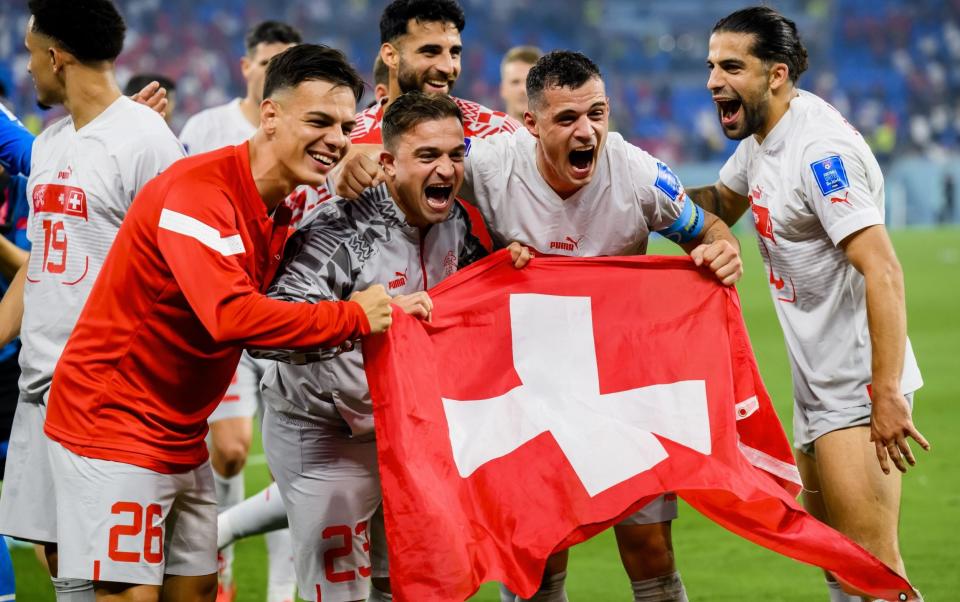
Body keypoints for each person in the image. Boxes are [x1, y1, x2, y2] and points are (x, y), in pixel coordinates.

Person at [339, 50, 742, 602]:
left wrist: (723, 250)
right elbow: (419, 180)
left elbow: (708, 229)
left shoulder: (638, 173)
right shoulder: (490, 165)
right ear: (531, 125)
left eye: (597, 114)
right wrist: (350, 164)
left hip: (618, 379)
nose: (587, 131)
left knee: (649, 548)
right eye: (568, 119)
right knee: (537, 551)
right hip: (528, 382)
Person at [41, 44, 393, 602]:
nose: (336, 138)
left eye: (345, 126)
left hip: (181, 432)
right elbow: (231, 317)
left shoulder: (286, 201)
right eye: (319, 121)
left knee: (198, 590)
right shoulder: (197, 193)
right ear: (270, 115)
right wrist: (353, 316)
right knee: (129, 595)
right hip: (112, 422)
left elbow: (399, 149)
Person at [686, 7, 927, 601]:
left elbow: (885, 271)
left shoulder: (822, 156)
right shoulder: (767, 134)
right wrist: (640, 192)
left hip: (857, 387)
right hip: (816, 384)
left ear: (776, 74)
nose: (714, 79)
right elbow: (720, 203)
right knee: (838, 566)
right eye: (712, 65)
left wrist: (887, 393)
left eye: (731, 66)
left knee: (874, 572)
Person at [255, 90, 529, 602]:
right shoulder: (341, 231)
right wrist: (361, 319)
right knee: (342, 593)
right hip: (320, 430)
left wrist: (502, 269)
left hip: (401, 432)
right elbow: (270, 332)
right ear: (388, 162)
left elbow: (471, 305)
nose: (446, 168)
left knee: (406, 583)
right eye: (427, 156)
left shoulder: (457, 225)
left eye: (454, 154)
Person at [0, 1, 186, 600]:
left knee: (117, 577)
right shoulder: (52, 145)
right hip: (41, 386)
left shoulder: (148, 144)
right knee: (61, 555)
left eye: (32, 55)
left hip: (107, 394)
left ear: (57, 57)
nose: (27, 69)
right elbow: (43, 272)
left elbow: (177, 277)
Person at [177, 18, 302, 602]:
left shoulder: (311, 137)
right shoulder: (207, 128)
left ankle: (280, 594)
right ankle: (219, 561)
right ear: (247, 67)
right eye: (268, 62)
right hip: (222, 316)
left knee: (289, 472)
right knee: (227, 451)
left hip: (287, 320)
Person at [339, 0, 521, 249]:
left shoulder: (499, 132)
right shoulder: (345, 140)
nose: (448, 67)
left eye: (454, 53)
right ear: (390, 56)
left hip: (477, 284)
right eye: (430, 51)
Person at [499, 45, 542, 122]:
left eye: (530, 82)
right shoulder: (487, 133)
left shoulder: (560, 133)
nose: (523, 90)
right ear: (503, 89)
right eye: (515, 82)